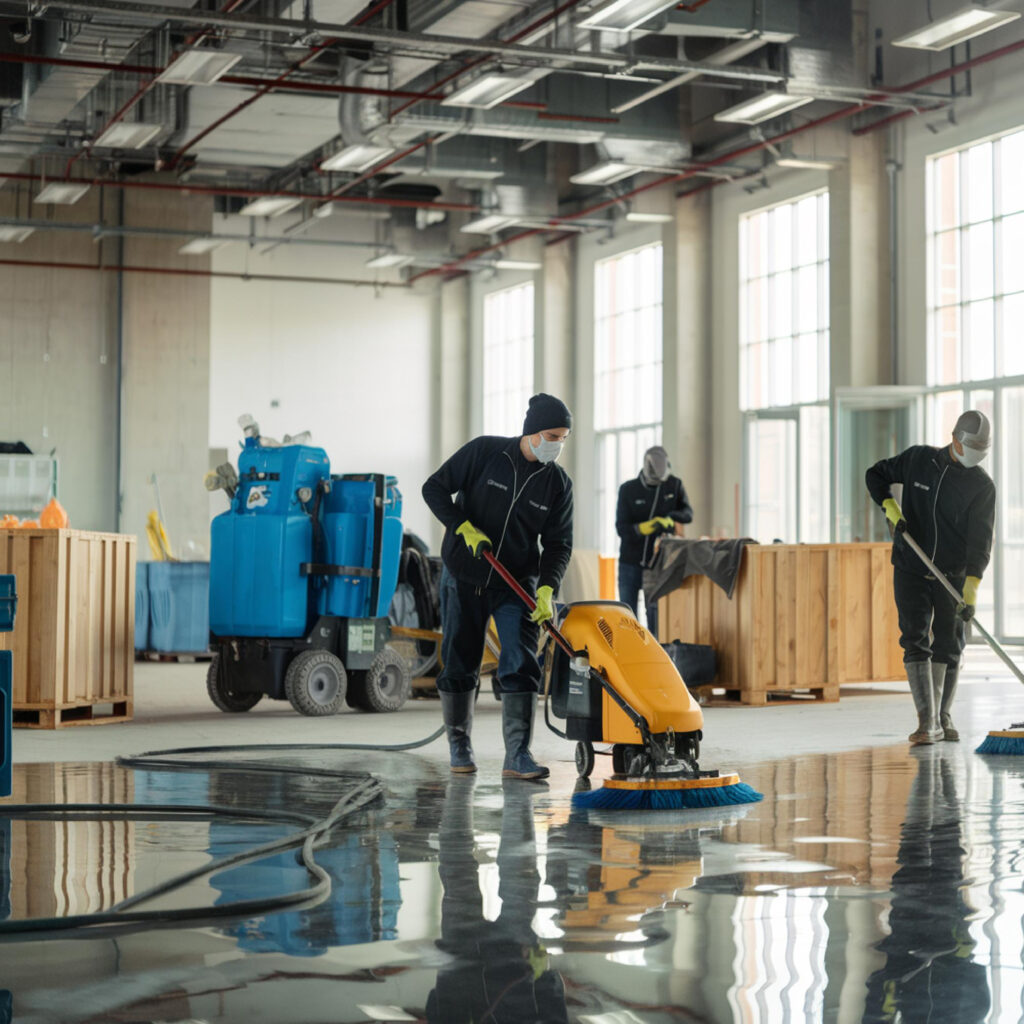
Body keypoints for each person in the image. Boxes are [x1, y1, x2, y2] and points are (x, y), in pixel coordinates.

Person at [422, 393, 574, 779]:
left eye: (564, 438)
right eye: (553, 436)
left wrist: (546, 589)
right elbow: (434, 488)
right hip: (464, 575)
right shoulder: (485, 453)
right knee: (461, 661)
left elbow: (558, 544)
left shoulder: (557, 485)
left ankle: (517, 755)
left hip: (516, 584)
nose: (558, 445)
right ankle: (460, 746)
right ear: (533, 433)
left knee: (521, 662)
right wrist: (462, 526)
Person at [865, 410, 995, 746]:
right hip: (911, 565)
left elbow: (980, 543)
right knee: (914, 638)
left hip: (950, 575)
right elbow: (875, 474)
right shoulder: (919, 460)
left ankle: (943, 715)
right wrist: (891, 508)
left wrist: (971, 587)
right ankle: (928, 722)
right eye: (973, 448)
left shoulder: (981, 486)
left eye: (984, 450)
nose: (978, 455)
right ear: (955, 440)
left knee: (950, 644)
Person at [615, 445, 693, 633]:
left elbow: (688, 514)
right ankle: (629, 654)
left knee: (655, 616)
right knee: (627, 616)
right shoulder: (628, 489)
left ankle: (656, 656)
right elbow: (621, 528)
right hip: (630, 562)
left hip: (657, 564)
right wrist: (642, 528)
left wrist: (671, 518)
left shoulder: (674, 485)